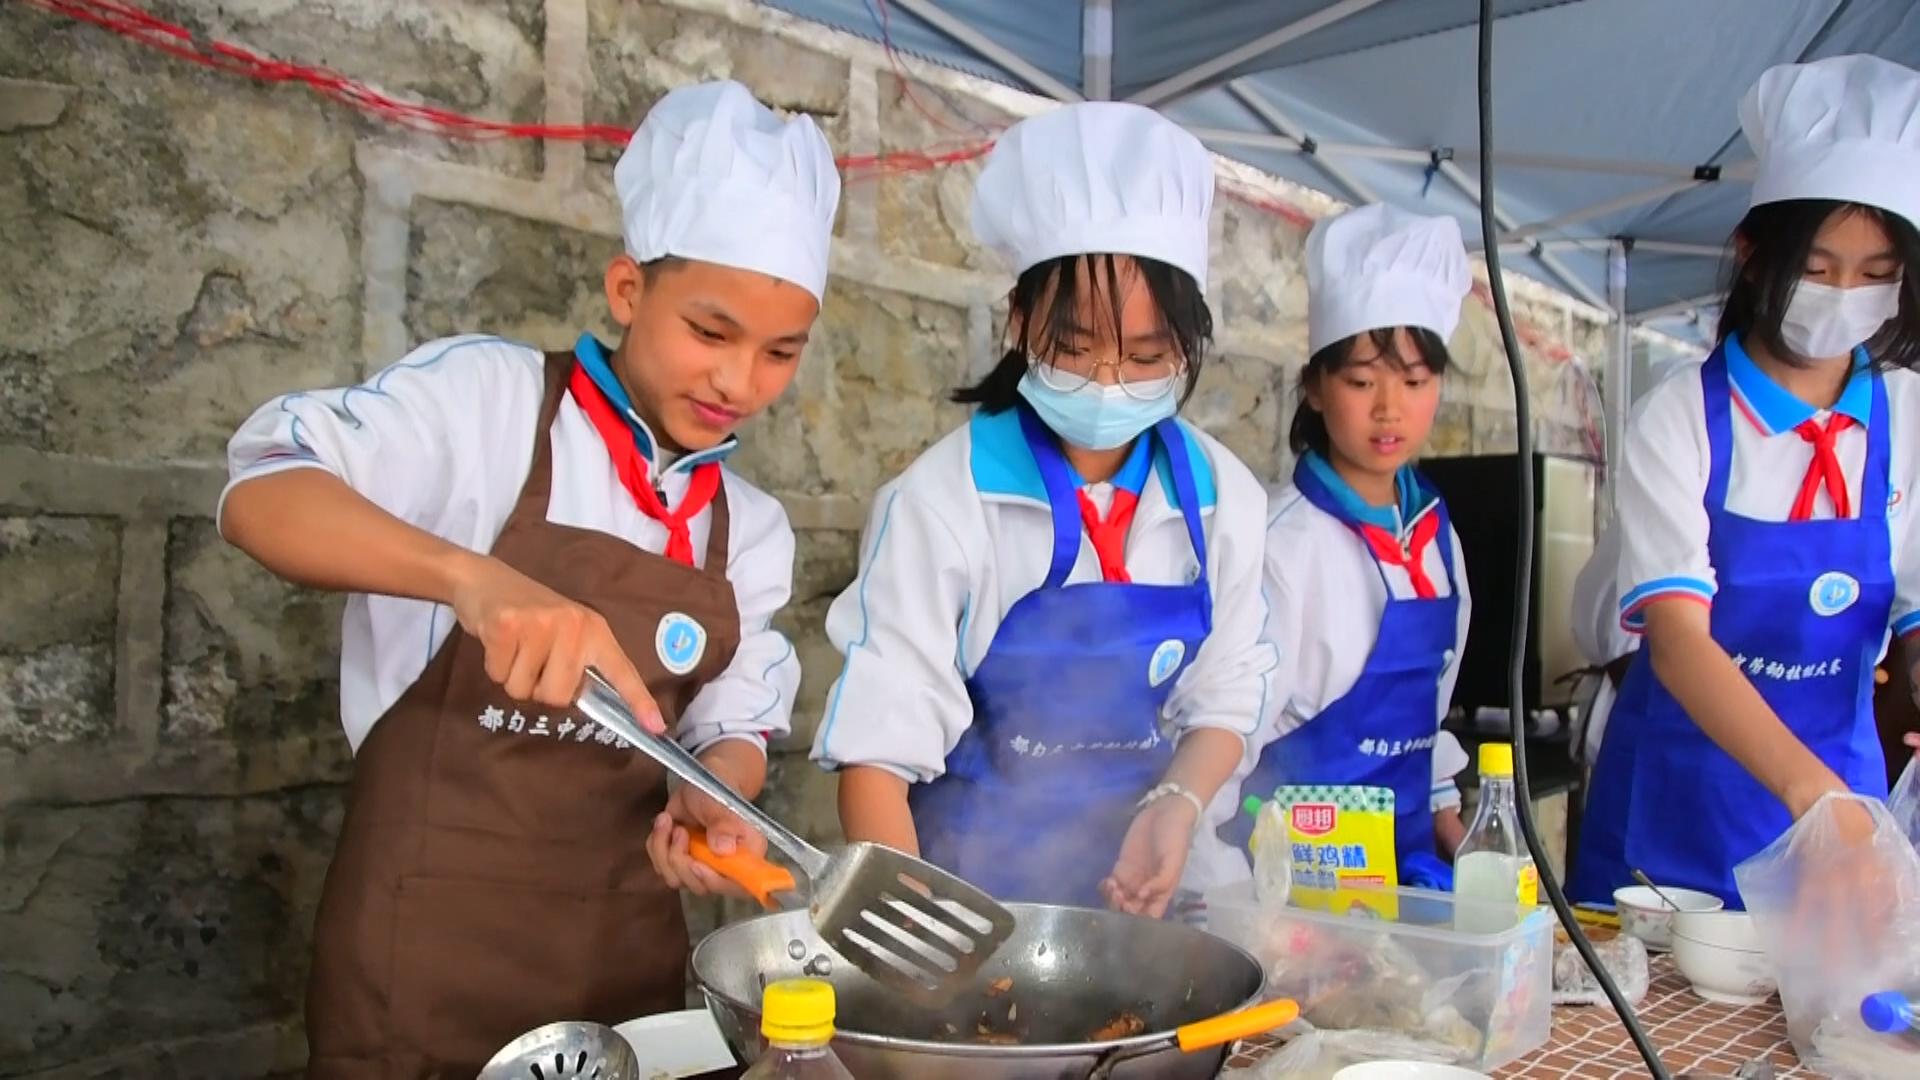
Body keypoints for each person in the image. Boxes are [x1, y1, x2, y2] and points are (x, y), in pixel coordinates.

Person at [217, 81, 837, 1076]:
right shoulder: (488, 403)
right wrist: (473, 581)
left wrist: (716, 799)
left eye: (780, 353)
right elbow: (263, 492)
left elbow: (734, 723)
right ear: (629, 292)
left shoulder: (749, 531)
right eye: (711, 334)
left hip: (624, 972)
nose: (739, 383)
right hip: (418, 969)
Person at [809, 102, 1277, 917]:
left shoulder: (1222, 499)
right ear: (1019, 320)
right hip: (962, 894)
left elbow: (1225, 699)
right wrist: (917, 930)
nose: (1104, 381)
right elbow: (878, 757)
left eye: (1142, 356)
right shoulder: (941, 501)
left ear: (1188, 346)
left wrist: (1177, 804)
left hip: (1141, 903)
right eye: (1072, 346)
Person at [1569, 55, 1920, 908]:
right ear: (1754, 254)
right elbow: (1682, 638)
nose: (1846, 295)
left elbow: (1912, 606)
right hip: (1675, 810)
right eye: (1822, 265)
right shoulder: (1681, 415)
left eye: (1877, 273)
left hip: (1843, 800)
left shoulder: (1910, 413)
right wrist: (1812, 798)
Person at [1192, 204, 1475, 890]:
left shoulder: (1437, 535)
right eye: (1360, 381)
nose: (1389, 408)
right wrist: (1229, 906)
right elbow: (1218, 743)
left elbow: (1429, 713)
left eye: (1414, 382)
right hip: (1293, 890)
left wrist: (1452, 819)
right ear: (1315, 387)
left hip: (1408, 879)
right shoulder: (1279, 546)